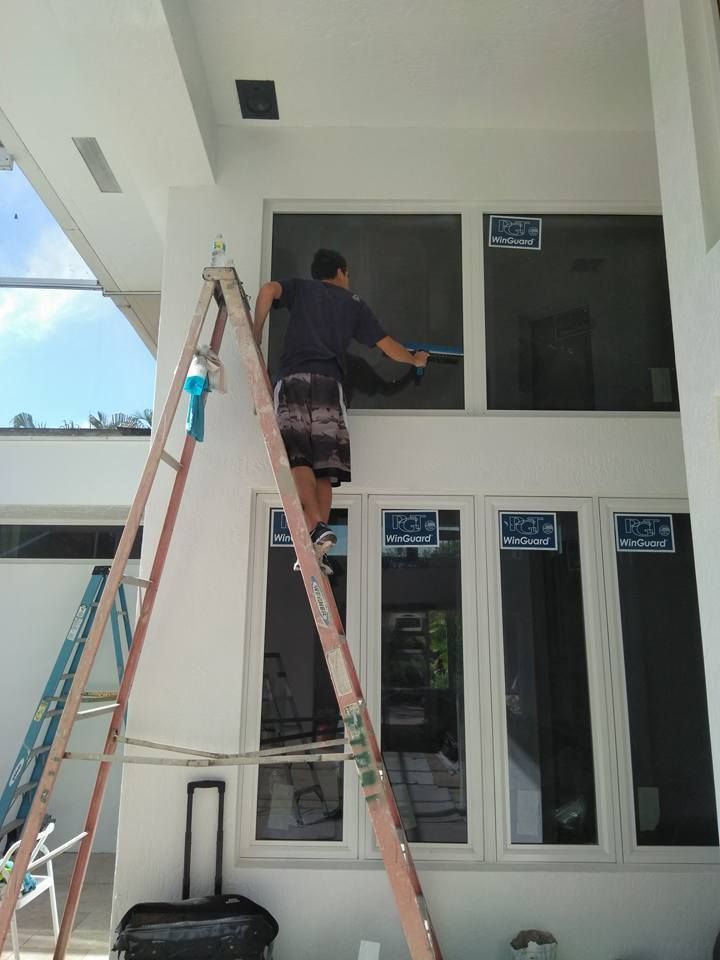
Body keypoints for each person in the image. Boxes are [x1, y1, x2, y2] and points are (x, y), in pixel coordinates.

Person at [253, 248, 429, 570]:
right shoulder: (353, 304)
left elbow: (267, 291)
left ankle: (316, 530)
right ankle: (318, 542)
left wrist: (255, 333)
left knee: (298, 459)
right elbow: (388, 347)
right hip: (329, 387)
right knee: (325, 468)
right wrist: (415, 359)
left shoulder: (302, 289)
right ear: (342, 271)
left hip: (293, 379)